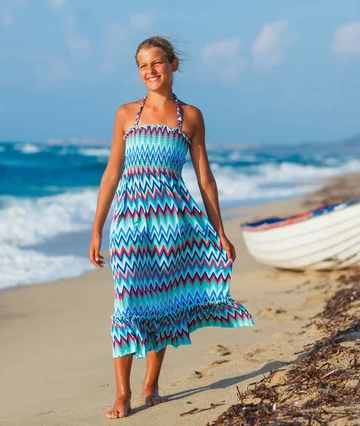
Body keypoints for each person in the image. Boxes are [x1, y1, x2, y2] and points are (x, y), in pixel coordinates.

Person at [89, 36, 254, 420]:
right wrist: (98, 229)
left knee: (162, 300)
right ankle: (122, 393)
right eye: (143, 66)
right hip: (130, 220)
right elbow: (112, 173)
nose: (150, 71)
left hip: (174, 222)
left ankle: (151, 384)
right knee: (127, 299)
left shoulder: (190, 116)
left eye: (157, 63)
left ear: (173, 65)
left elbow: (205, 179)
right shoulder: (126, 114)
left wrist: (220, 232)